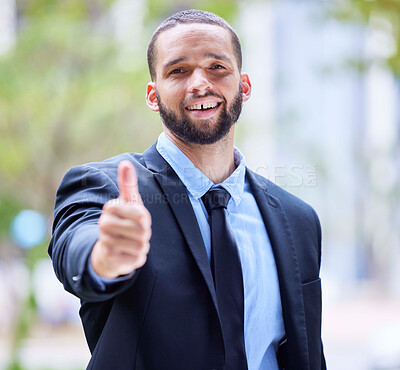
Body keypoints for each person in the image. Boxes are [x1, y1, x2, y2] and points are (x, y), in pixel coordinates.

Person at [49, 9, 326, 370]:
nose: (199, 83)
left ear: (243, 86)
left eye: (217, 68)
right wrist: (104, 256)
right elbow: (76, 247)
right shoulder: (105, 186)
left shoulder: (297, 219)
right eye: (178, 71)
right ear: (153, 95)